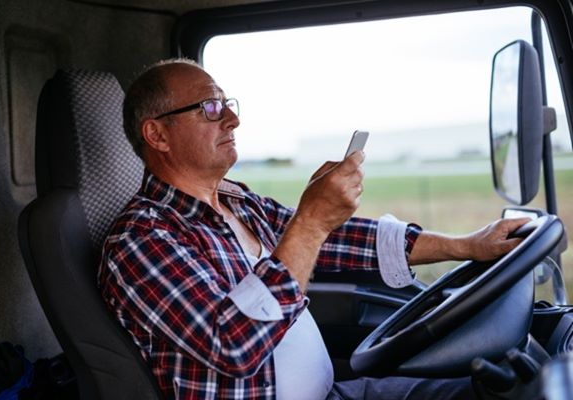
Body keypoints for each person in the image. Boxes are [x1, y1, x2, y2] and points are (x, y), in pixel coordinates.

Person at [98, 58, 529, 400]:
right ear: (157, 134)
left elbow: (335, 240)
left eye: (229, 104)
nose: (231, 119)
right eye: (211, 107)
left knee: (496, 391)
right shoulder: (141, 240)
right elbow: (232, 343)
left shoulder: (236, 200)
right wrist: (311, 219)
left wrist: (467, 244)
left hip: (332, 392)